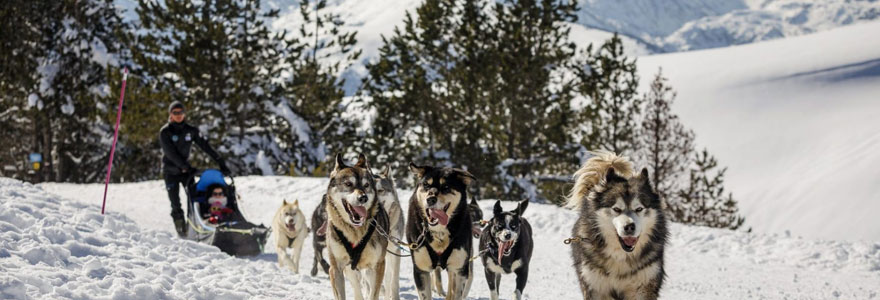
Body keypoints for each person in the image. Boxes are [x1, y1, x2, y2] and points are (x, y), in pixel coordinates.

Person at [159, 101, 230, 237]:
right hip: (171, 172)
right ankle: (182, 232)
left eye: (181, 112)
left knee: (194, 201)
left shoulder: (191, 130)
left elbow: (205, 146)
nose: (178, 115)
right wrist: (185, 166)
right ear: (170, 115)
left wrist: (220, 162)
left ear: (185, 113)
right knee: (175, 204)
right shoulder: (165, 132)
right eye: (175, 113)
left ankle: (197, 227)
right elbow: (170, 153)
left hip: (186, 173)